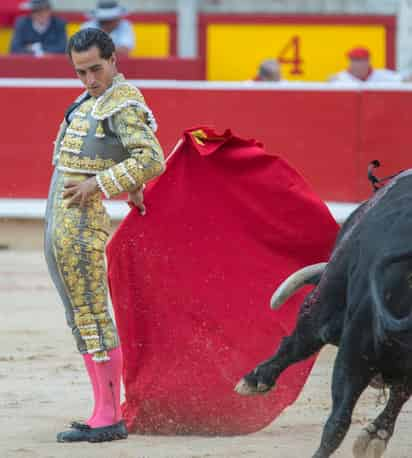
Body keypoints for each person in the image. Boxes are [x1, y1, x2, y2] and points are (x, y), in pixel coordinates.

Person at [44, 27, 165, 442]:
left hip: (81, 221)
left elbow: (151, 158)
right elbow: (119, 152)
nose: (89, 79)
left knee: (92, 313)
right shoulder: (91, 99)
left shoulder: (123, 101)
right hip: (61, 219)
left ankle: (109, 414)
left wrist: (100, 185)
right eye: (81, 72)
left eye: (96, 68)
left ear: (114, 60)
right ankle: (102, 408)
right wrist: (128, 185)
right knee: (80, 313)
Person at [329, 47, 402, 83]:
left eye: (359, 60)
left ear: (367, 61)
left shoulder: (382, 75)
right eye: (353, 60)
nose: (355, 64)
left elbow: (402, 80)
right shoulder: (340, 77)